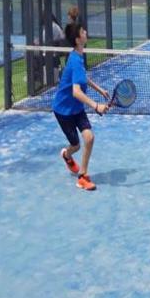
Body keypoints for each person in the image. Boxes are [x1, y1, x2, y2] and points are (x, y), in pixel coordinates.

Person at [52, 22, 109, 191]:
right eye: (83, 32)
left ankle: (82, 176)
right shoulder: (75, 60)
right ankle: (66, 155)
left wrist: (100, 90)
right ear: (78, 39)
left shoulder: (78, 55)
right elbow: (76, 91)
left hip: (77, 109)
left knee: (89, 138)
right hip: (64, 111)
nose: (86, 32)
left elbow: (82, 77)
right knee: (76, 145)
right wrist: (96, 106)